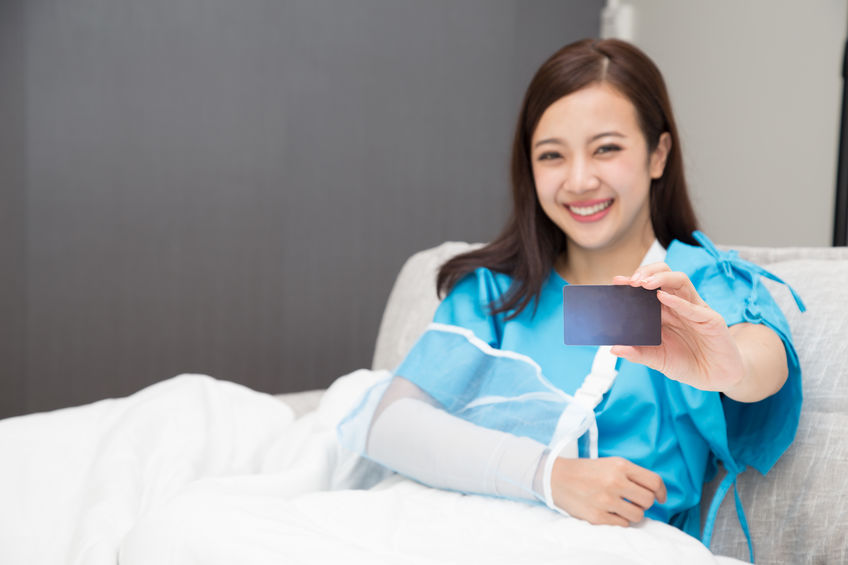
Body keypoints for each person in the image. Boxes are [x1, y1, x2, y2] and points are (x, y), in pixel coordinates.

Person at [340, 38, 804, 558]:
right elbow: (391, 424)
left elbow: (760, 361)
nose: (580, 180)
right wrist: (550, 476)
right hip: (449, 533)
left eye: (606, 148)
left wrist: (730, 369)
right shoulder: (498, 291)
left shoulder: (693, 282)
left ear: (658, 155)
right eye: (552, 155)